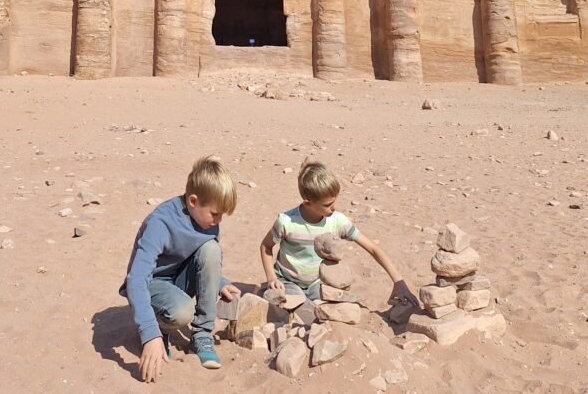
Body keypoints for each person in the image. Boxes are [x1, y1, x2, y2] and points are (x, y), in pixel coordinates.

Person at [120, 155, 240, 382]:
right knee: (183, 311)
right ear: (193, 201)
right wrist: (149, 334)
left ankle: (202, 333)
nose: (219, 221)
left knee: (211, 249)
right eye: (215, 214)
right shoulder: (161, 222)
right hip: (152, 284)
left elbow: (201, 257)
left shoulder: (207, 222)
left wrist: (219, 282)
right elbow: (136, 279)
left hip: (177, 280)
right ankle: (160, 328)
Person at [259, 159, 417, 307]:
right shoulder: (286, 222)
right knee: (297, 306)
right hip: (288, 281)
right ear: (308, 203)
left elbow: (373, 248)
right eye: (327, 204)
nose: (333, 208)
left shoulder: (338, 221)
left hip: (317, 283)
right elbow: (266, 246)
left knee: (339, 306)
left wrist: (398, 281)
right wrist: (271, 277)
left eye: (334, 202)